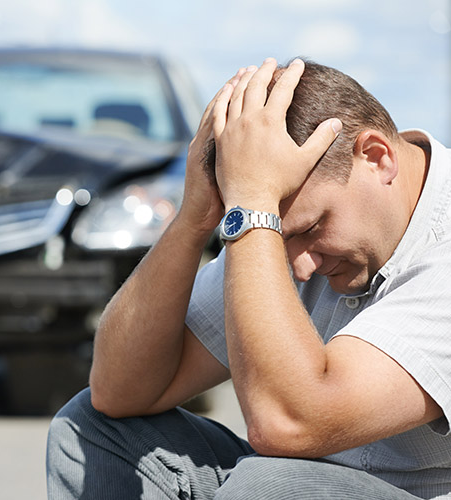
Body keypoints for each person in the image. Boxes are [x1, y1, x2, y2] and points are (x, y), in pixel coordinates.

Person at [46, 58, 451, 499]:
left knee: (269, 485)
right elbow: (118, 391)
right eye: (278, 239)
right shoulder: (273, 225)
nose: (299, 268)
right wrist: (194, 220)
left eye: (312, 228)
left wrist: (256, 206)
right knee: (90, 429)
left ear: (376, 157)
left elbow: (288, 424)